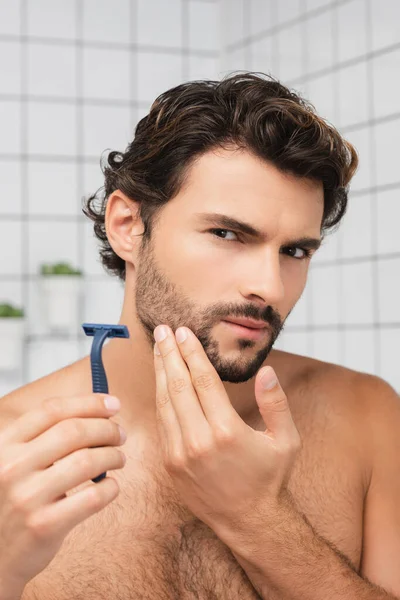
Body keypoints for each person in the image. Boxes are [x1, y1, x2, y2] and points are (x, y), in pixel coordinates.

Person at [0, 72, 399, 600]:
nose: (270, 286)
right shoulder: (12, 454)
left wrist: (259, 520)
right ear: (127, 225)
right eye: (228, 234)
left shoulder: (366, 415)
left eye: (295, 251)